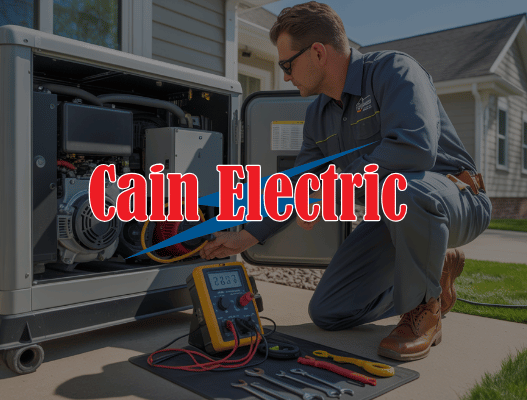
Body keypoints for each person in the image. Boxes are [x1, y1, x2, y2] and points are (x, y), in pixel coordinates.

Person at [199, 1, 491, 361]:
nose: (287, 76)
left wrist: (331, 188)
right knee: (329, 311)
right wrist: (245, 236)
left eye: (287, 65)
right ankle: (434, 279)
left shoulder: (394, 71)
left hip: (454, 199)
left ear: (318, 52)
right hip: (393, 214)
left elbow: (414, 150)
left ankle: (422, 310)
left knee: (407, 190)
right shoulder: (318, 116)